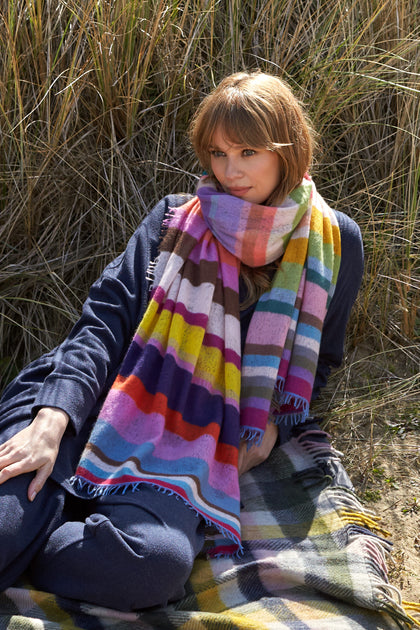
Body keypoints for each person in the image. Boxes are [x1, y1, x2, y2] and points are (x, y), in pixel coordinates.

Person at [0, 71, 363, 612]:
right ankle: (31, 523)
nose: (230, 170)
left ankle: (40, 530)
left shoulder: (334, 243)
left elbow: (321, 362)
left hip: (188, 438)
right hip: (90, 400)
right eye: (217, 153)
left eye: (248, 151)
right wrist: (51, 424)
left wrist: (272, 425)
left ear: (288, 149)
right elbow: (102, 325)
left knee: (150, 568)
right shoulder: (175, 218)